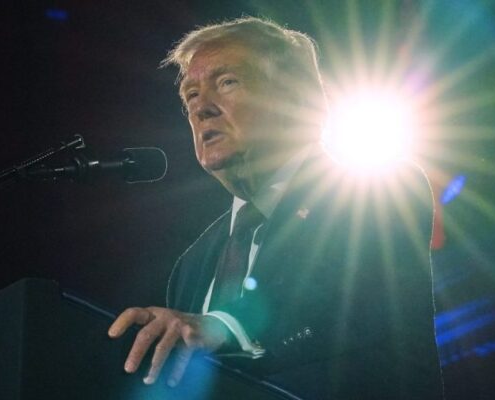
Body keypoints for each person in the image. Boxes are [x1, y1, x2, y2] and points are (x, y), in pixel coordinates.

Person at [109, 17, 442, 399]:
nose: (201, 109)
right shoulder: (191, 266)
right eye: (191, 96)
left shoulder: (379, 190)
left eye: (227, 82)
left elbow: (341, 299)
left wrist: (222, 326)